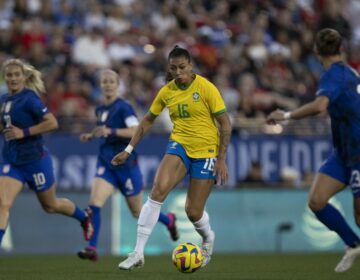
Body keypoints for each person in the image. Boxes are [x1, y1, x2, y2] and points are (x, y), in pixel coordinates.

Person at [112, 46, 232, 270]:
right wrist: (128, 150)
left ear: (191, 66)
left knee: (193, 212)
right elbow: (147, 120)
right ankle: (138, 253)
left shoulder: (206, 88)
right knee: (157, 191)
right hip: (180, 145)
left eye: (182, 67)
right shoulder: (167, 91)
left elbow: (225, 123)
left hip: (206, 152)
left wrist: (221, 158)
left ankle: (208, 239)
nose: (178, 72)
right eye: (173, 68)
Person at [267, 28, 360, 273]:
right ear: (340, 48)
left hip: (359, 153)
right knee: (317, 200)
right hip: (343, 154)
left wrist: (285, 115)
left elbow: (320, 106)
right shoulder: (350, 72)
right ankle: (353, 244)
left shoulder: (333, 75)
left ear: (317, 51)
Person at [77, 69, 179, 262]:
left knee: (137, 212)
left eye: (111, 82)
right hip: (106, 164)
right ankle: (91, 248)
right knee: (94, 204)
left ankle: (169, 220)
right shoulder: (100, 109)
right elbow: (104, 131)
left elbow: (134, 130)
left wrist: (110, 130)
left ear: (117, 85)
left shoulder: (124, 107)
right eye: (104, 82)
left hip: (126, 165)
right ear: (100, 86)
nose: (107, 85)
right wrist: (91, 135)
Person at [0, 58, 93, 247]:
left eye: (17, 74)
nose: (13, 78)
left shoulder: (30, 99)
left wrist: (23, 132)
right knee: (3, 203)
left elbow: (52, 122)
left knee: (50, 206)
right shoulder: (3, 100)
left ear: (24, 77)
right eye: (9, 75)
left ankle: (84, 217)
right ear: (5, 77)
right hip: (12, 160)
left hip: (35, 161)